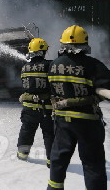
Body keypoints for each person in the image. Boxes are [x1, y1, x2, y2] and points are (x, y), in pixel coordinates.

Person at [47, 25, 110, 190]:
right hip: (87, 122)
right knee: (92, 163)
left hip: (62, 121)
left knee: (58, 160)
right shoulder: (93, 65)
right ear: (85, 44)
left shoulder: (54, 65)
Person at [17, 38, 54, 168]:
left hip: (28, 108)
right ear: (43, 51)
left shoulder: (24, 67)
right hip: (46, 108)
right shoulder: (50, 65)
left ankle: (22, 154)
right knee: (50, 134)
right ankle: (52, 161)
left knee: (26, 132)